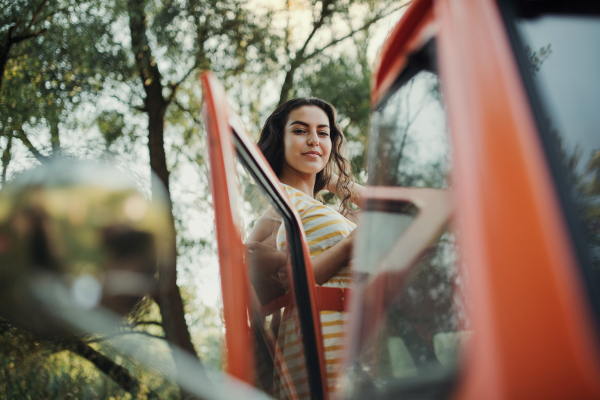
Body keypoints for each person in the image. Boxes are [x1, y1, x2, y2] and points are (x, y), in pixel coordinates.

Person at [245, 98, 364, 399]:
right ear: (279, 140)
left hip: (354, 345)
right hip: (320, 349)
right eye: (300, 131)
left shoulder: (315, 207)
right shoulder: (280, 207)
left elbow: (387, 208)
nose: (314, 140)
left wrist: (331, 180)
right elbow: (286, 281)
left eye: (323, 133)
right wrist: (350, 244)